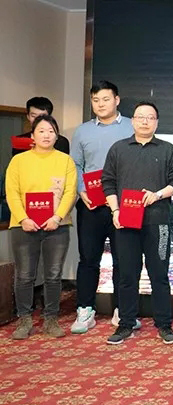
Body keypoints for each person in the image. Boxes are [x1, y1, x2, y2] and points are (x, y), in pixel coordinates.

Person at [102, 102, 173, 345]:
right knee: (127, 274)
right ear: (133, 121)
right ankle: (125, 323)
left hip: (158, 223)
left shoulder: (168, 149)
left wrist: (157, 195)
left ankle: (164, 324)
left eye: (150, 117)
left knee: (160, 275)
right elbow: (108, 182)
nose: (145, 121)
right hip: (126, 221)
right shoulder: (119, 148)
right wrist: (115, 210)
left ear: (157, 122)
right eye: (140, 117)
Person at [69, 81, 136, 334]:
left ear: (117, 100)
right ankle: (85, 309)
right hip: (92, 205)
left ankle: (123, 309)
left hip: (123, 205)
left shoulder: (131, 126)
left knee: (123, 259)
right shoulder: (82, 131)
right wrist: (81, 190)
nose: (100, 104)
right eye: (95, 100)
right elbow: (75, 165)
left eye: (106, 99)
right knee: (88, 259)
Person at [6, 115, 76, 339]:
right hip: (23, 226)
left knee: (53, 275)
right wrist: (23, 218)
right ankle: (24, 319)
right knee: (25, 275)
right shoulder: (19, 161)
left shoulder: (65, 161)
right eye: (41, 131)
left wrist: (57, 217)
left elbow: (70, 192)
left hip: (57, 226)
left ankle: (51, 319)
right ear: (33, 136)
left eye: (51, 131)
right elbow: (12, 192)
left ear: (57, 136)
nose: (47, 135)